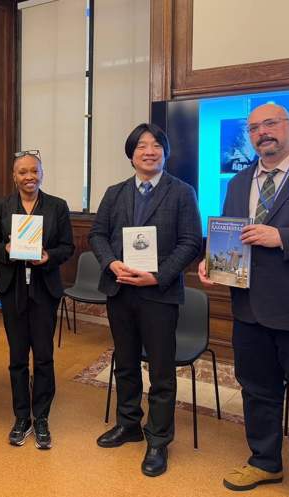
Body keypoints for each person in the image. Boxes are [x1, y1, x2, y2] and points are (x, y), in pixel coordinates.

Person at [198, 103, 289, 497]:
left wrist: (284, 238)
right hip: (250, 309)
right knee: (257, 390)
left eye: (271, 124)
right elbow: (232, 238)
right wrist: (214, 263)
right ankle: (264, 462)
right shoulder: (239, 182)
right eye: (255, 128)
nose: (263, 132)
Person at [89, 123, 201, 477]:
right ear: (131, 153)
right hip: (120, 289)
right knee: (124, 363)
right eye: (141, 146)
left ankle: (158, 440)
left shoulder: (182, 192)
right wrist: (111, 262)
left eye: (155, 146)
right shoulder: (115, 192)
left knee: (162, 370)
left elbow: (190, 242)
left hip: (159, 294)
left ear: (165, 152)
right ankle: (129, 425)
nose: (148, 151)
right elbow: (97, 235)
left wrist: (158, 275)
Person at [0, 152, 73, 449]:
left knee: (45, 356)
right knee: (17, 357)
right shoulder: (2, 207)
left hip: (44, 289)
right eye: (22, 172)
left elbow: (67, 247)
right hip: (13, 288)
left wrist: (49, 257)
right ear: (14, 176)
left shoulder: (57, 207)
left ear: (42, 173)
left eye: (34, 171)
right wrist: (7, 250)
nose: (29, 176)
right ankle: (21, 417)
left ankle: (42, 417)